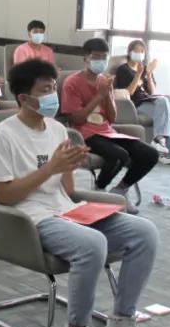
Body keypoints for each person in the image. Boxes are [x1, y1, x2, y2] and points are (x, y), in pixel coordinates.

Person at [0, 59, 161, 327]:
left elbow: (65, 191)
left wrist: (67, 168)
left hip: (65, 210)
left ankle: (121, 320)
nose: (53, 95)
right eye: (45, 90)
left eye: (54, 87)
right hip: (29, 219)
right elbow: (4, 196)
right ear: (24, 98)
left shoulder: (56, 129)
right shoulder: (3, 135)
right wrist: (50, 168)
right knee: (92, 244)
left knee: (144, 232)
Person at [61, 39, 158, 214]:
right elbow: (77, 118)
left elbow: (112, 118)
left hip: (107, 132)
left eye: (104, 58)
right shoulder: (72, 83)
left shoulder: (104, 82)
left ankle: (120, 190)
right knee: (119, 155)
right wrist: (99, 95)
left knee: (150, 154)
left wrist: (108, 94)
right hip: (84, 134)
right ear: (86, 58)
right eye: (96, 57)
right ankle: (99, 190)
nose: (100, 61)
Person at [114, 39, 170, 163]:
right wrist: (138, 74)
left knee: (166, 102)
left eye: (142, 52)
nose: (140, 54)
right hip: (135, 104)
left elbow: (152, 92)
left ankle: (162, 149)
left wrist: (149, 73)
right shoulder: (123, 69)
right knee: (164, 104)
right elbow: (128, 93)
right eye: (137, 51)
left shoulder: (144, 69)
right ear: (130, 52)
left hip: (147, 101)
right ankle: (162, 150)